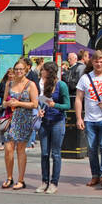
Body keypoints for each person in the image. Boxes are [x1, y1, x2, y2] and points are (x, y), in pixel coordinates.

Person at [75, 50, 102, 188]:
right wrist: (78, 117)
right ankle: (95, 175)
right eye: (96, 61)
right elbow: (78, 98)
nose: (99, 64)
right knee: (92, 149)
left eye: (101, 62)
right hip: (89, 118)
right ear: (92, 62)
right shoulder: (85, 78)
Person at [1, 64, 38, 189]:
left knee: (20, 149)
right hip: (10, 119)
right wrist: (7, 103)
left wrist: (18, 103)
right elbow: (3, 103)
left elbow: (35, 104)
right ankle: (9, 177)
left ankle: (21, 180)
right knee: (8, 148)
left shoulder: (31, 85)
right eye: (16, 69)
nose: (18, 71)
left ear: (26, 70)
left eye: (21, 69)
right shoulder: (9, 84)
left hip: (24, 119)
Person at [36, 61, 69, 193]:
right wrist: (40, 109)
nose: (41, 72)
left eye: (43, 70)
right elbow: (41, 101)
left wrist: (55, 105)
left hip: (57, 122)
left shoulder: (61, 85)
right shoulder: (42, 85)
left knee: (55, 153)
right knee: (44, 153)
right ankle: (44, 181)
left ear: (49, 72)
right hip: (45, 122)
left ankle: (54, 183)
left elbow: (67, 105)